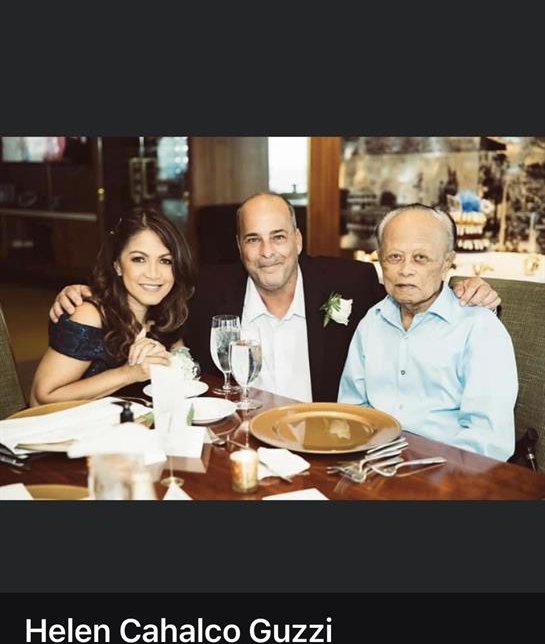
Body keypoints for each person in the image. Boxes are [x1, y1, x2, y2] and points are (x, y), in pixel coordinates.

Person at [48, 193, 500, 404]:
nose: (268, 252)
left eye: (279, 236)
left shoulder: (355, 281)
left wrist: (462, 288)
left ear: (298, 240)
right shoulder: (207, 291)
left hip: (323, 444)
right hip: (238, 444)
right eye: (253, 239)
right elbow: (153, 315)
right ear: (239, 247)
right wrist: (84, 295)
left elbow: (411, 288)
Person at [338, 204, 518, 459]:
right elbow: (351, 409)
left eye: (420, 258)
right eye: (394, 257)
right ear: (380, 259)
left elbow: (488, 440)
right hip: (373, 463)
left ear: (447, 263)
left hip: (448, 471)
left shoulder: (479, 327)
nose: (405, 270)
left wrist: (429, 474)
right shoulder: (372, 322)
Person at [31, 209, 195, 405]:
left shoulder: (165, 316)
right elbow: (45, 396)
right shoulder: (89, 315)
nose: (153, 273)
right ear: (117, 265)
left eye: (165, 261)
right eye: (139, 259)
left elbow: (186, 378)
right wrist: (129, 373)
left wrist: (166, 362)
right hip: (70, 422)